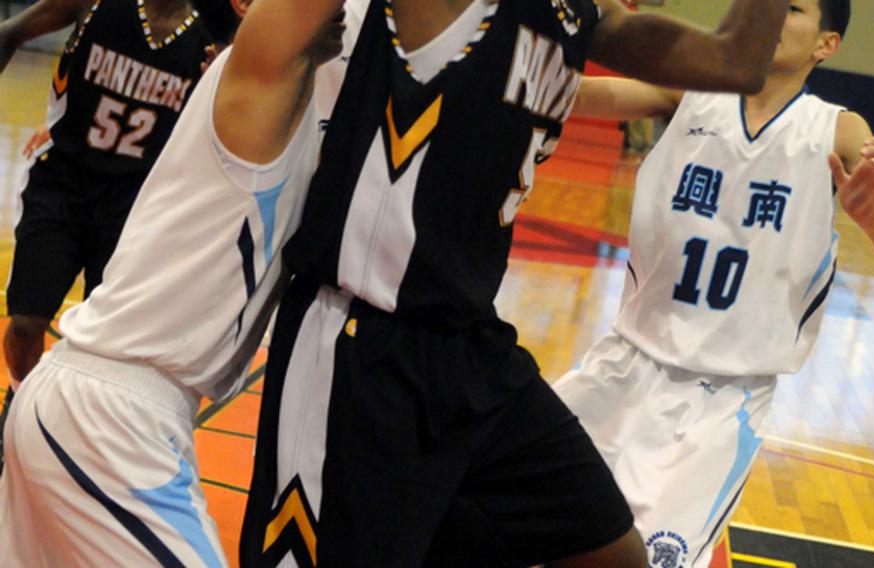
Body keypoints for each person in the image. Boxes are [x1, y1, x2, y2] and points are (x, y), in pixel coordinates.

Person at [238, 0, 792, 566]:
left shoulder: (581, 19)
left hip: (470, 348)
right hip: (360, 341)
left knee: (612, 553)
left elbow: (737, 63)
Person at [554, 0, 874, 566]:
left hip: (719, 401)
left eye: (791, 9)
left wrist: (873, 219)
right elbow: (581, 95)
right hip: (622, 362)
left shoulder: (838, 131)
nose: (770, 17)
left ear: (826, 44)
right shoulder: (692, 93)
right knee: (506, 510)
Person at [0, 0, 347, 564]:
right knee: (26, 320)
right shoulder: (254, 72)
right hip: (109, 420)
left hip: (120, 412)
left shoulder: (294, 99)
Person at [0, 0, 215, 385]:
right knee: (25, 326)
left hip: (136, 203)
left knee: (103, 344)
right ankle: (18, 400)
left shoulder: (215, 29)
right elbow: (9, 32)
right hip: (61, 184)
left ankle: (67, 424)